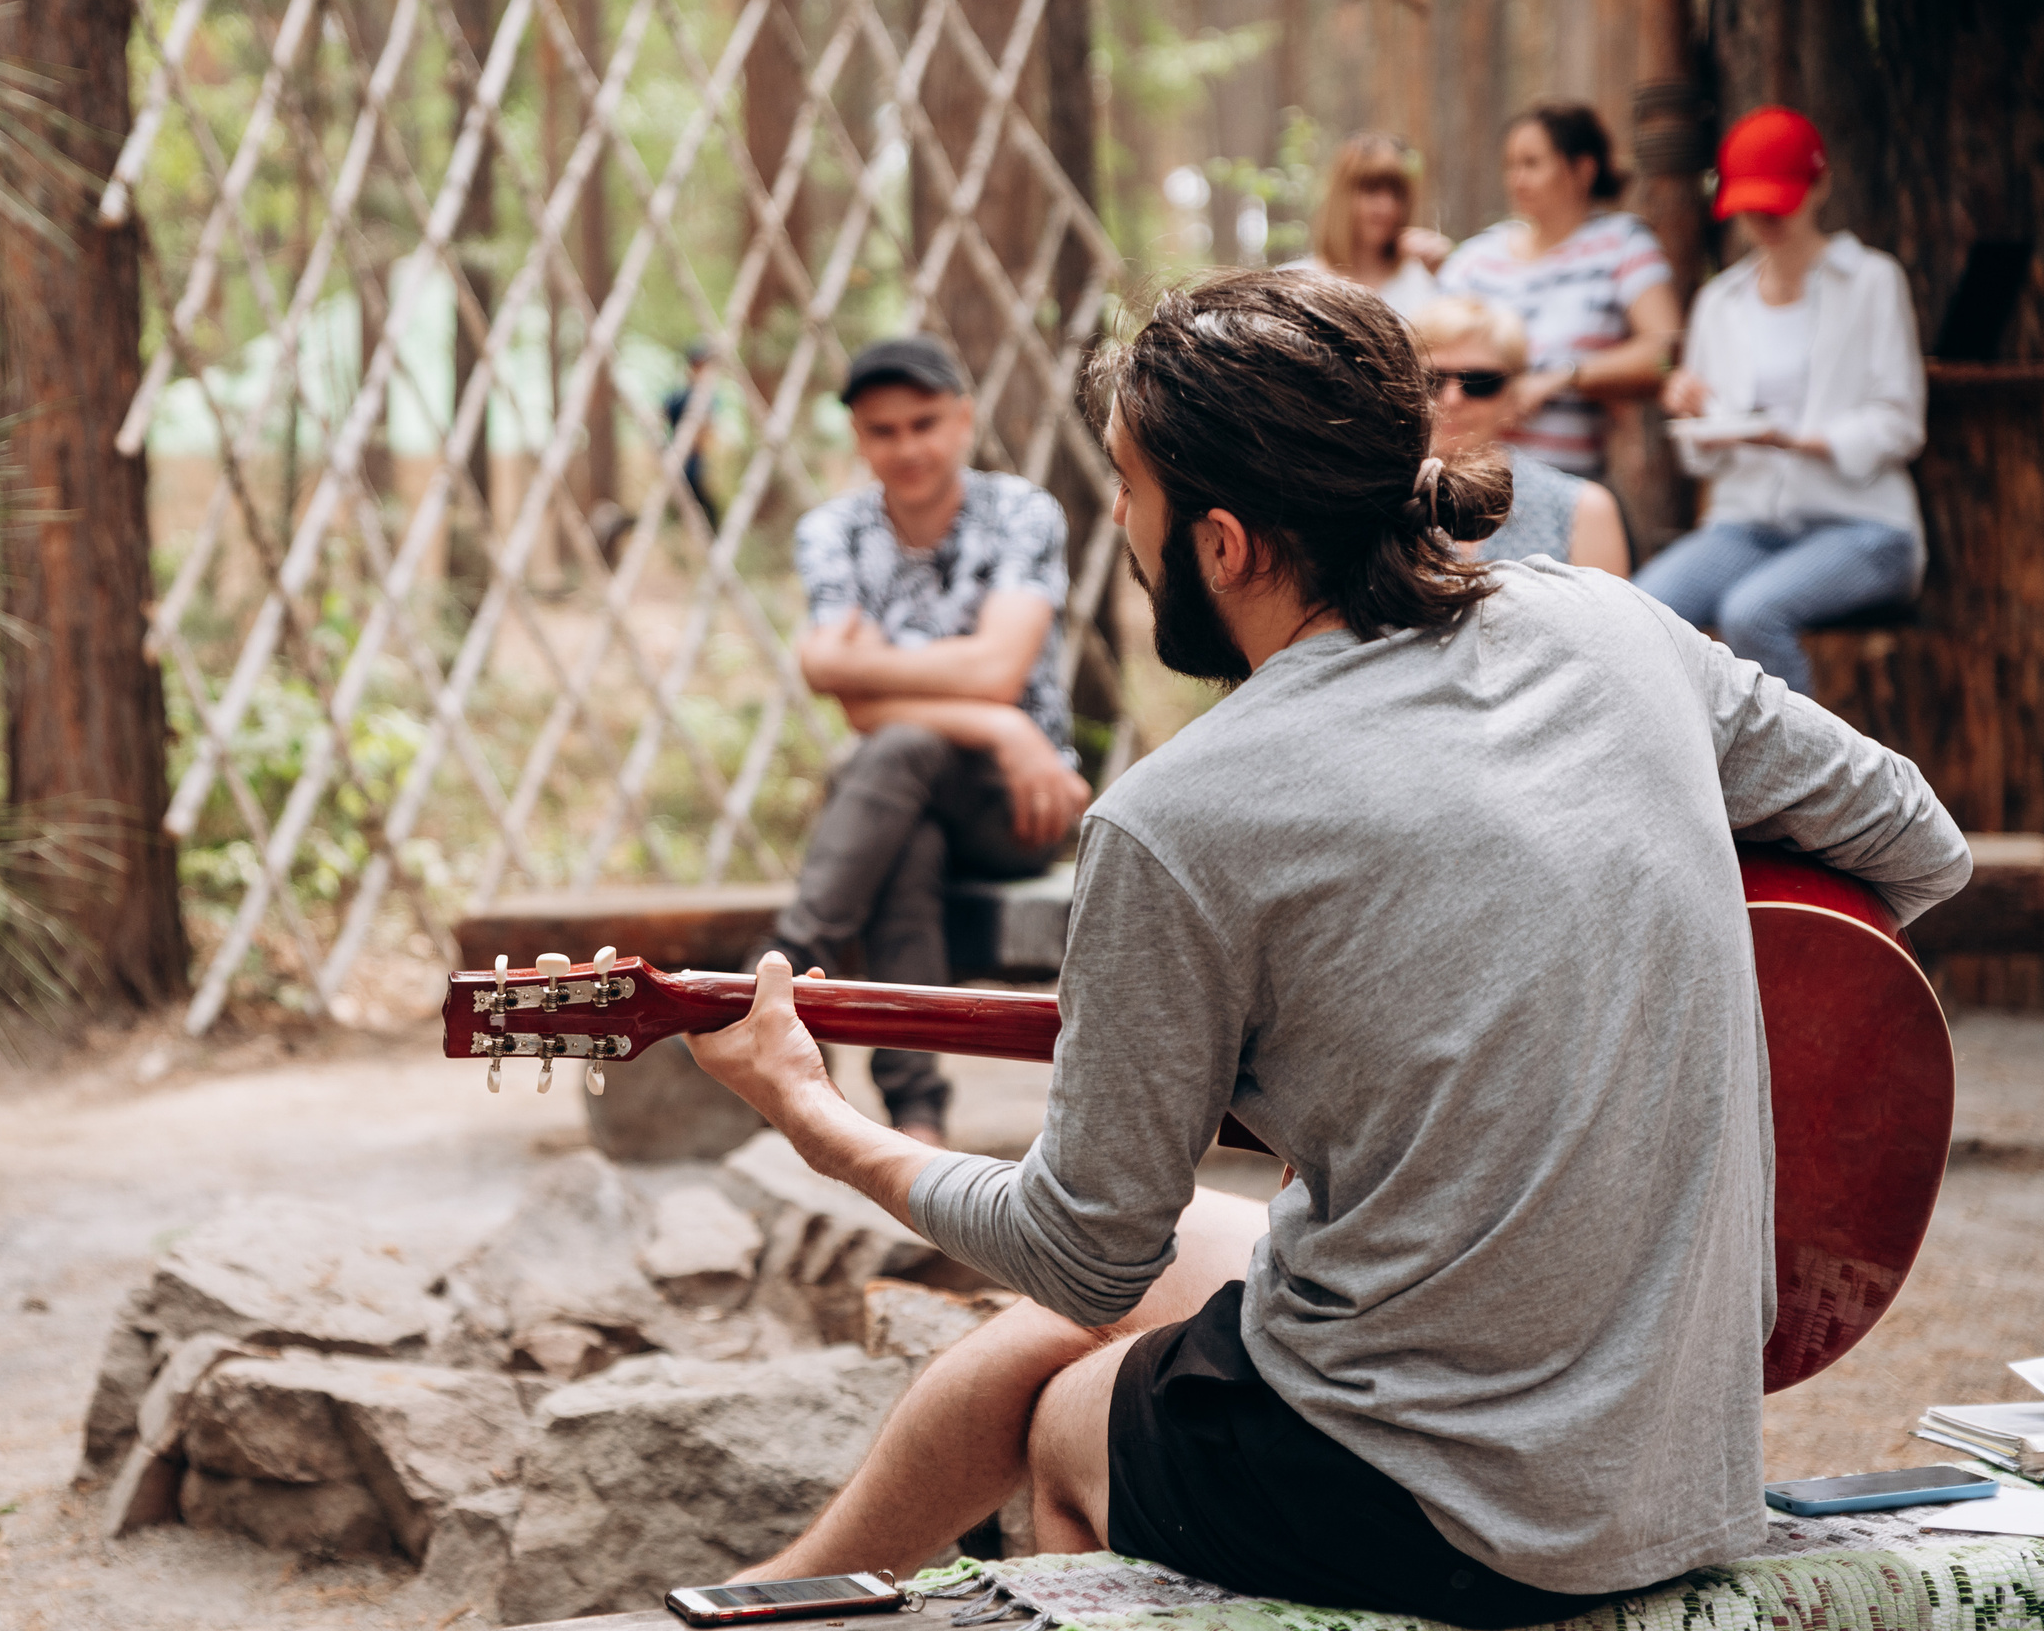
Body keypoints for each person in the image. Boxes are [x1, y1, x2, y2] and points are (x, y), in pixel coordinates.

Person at [689, 270, 1966, 1621]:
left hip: (1452, 1508)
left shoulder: (1181, 816)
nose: (1119, 529)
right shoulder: (1613, 625)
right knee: (1071, 1327)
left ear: (1225, 542)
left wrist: (818, 1120)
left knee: (1067, 1409)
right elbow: (1920, 847)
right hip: (1674, 1466)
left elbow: (1080, 1252)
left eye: (1129, 490)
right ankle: (762, 1601)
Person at [766, 335, 1091, 1145]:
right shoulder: (833, 531)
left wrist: (886, 673)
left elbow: (995, 666)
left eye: (924, 423)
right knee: (906, 831)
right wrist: (996, 720)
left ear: (963, 419)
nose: (907, 447)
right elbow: (848, 696)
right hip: (923, 789)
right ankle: (918, 1116)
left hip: (1021, 799)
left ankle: (772, 975)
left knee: (900, 750)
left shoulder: (1020, 511)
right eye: (884, 431)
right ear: (858, 437)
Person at [1637, 106, 1926, 699]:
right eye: (1752, 203)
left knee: (1754, 613)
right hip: (1747, 527)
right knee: (1638, 609)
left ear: (1821, 185)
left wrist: (1800, 442)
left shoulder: (1872, 280)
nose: (1765, 217)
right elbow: (1706, 460)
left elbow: (1901, 421)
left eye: (1780, 199)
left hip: (1865, 527)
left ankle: (1801, 788)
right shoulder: (1721, 301)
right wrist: (1695, 413)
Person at [1437, 102, 1683, 480]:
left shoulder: (1621, 244)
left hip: (1570, 486)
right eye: (1511, 166)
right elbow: (1425, 355)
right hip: (1468, 484)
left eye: (1532, 164)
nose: (1516, 179)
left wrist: (1565, 377)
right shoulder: (1476, 258)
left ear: (1583, 170)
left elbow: (1666, 355)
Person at [1412, 294, 1630, 573]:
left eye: (1480, 383)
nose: (1452, 399)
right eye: (1432, 379)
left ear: (1513, 394)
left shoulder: (1582, 508)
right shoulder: (1371, 497)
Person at [1282, 132, 1450, 317]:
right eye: (1371, 191)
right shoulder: (1294, 284)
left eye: (1396, 194)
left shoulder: (1423, 281)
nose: (1387, 207)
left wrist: (1446, 275)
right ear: (1341, 199)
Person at [662, 340, 721, 532]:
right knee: (685, 509)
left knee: (694, 509)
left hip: (693, 464)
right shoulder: (683, 396)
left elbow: (707, 434)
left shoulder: (706, 396)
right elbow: (664, 414)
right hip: (683, 463)